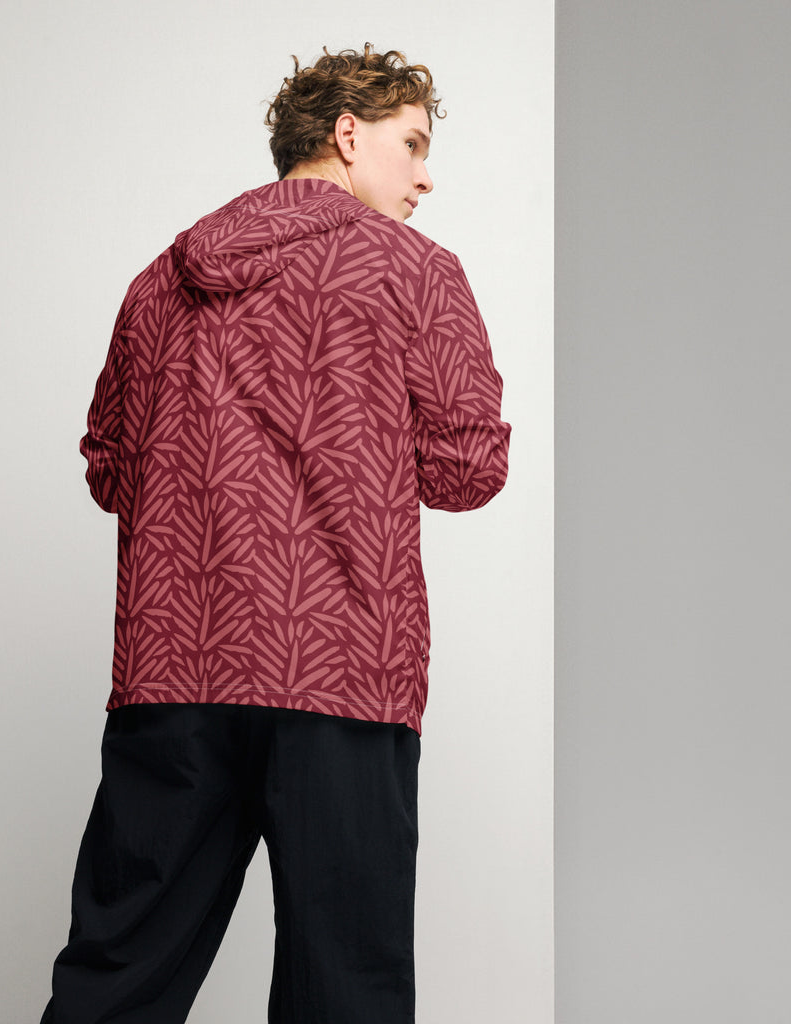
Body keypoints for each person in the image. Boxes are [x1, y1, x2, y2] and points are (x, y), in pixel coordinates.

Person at [40, 44, 511, 1024]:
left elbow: (108, 471)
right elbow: (467, 474)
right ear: (348, 134)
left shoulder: (159, 282)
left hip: (174, 671)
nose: (426, 175)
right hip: (345, 677)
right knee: (347, 989)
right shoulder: (415, 272)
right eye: (413, 144)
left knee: (115, 980)